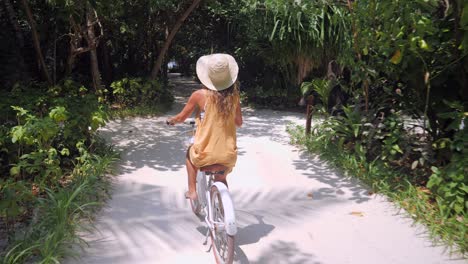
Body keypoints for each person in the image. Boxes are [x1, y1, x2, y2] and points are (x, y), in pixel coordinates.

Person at [167, 53, 243, 201]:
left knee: (189, 154)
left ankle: (192, 191)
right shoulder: (234, 97)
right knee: (221, 179)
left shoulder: (199, 95)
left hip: (204, 155)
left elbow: (181, 118)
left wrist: (172, 120)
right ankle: (223, 207)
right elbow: (239, 122)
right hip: (228, 155)